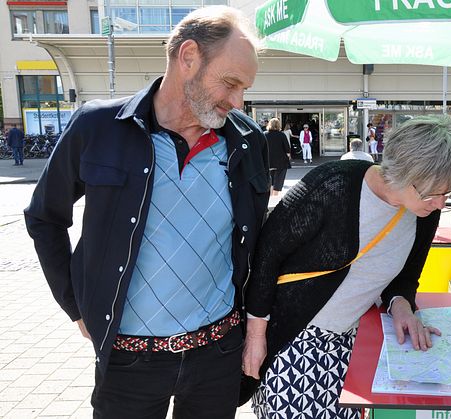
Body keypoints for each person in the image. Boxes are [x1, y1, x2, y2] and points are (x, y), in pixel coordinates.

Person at [24, 6, 270, 418]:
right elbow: (44, 217)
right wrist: (76, 306)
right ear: (188, 57)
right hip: (127, 362)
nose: (237, 100)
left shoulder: (248, 141)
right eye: (231, 83)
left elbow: (257, 245)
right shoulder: (98, 127)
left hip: (216, 356)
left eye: (244, 88)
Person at [242, 115, 451, 418]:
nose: (440, 203)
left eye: (447, 194)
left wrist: (402, 305)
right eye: (432, 193)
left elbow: (406, 276)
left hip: (355, 341)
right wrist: (255, 338)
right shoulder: (332, 184)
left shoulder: (425, 212)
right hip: (296, 339)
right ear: (402, 173)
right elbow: (266, 257)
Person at [265, 117, 291, 196]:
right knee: (278, 182)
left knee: (270, 181)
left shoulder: (264, 134)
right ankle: (275, 198)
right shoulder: (281, 135)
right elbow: (287, 149)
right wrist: (288, 156)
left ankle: (269, 198)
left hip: (268, 161)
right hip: (280, 162)